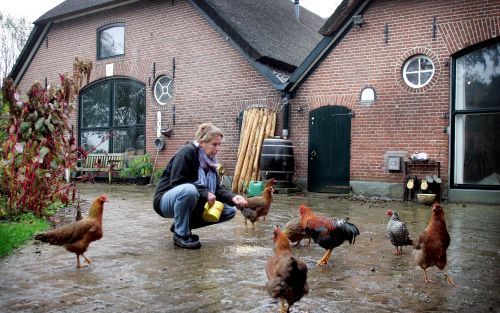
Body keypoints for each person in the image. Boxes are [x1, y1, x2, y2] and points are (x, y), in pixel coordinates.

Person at [153, 122, 247, 249]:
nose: (217, 148)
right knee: (189, 190)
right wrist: (204, 192)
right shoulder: (187, 152)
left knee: (228, 211)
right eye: (214, 144)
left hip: (189, 198)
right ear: (202, 142)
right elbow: (177, 181)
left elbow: (217, 189)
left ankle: (180, 225)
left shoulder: (211, 162)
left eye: (219, 144)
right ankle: (181, 235)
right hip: (165, 200)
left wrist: (232, 197)